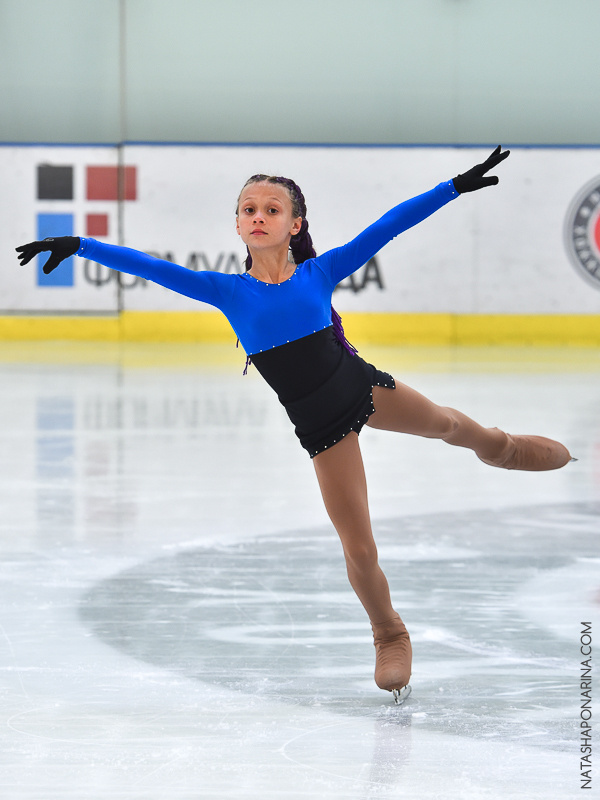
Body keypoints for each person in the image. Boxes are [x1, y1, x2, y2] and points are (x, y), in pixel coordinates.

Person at [16, 147, 573, 703]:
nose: (259, 216)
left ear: (294, 223)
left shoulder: (320, 272)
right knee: (359, 550)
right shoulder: (228, 292)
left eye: (272, 209)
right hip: (322, 428)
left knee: (450, 424)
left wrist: (452, 187)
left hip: (365, 387)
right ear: (237, 224)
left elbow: (388, 227)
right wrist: (80, 245)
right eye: (249, 208)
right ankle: (388, 630)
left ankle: (499, 447)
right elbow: (150, 267)